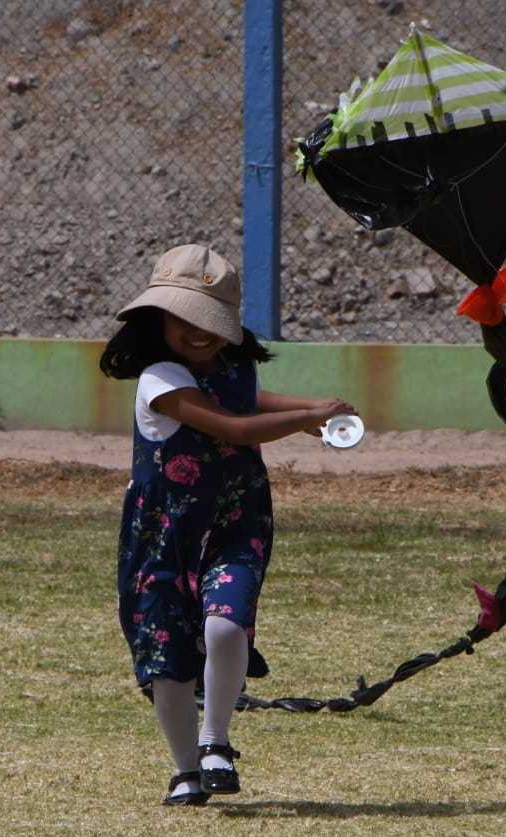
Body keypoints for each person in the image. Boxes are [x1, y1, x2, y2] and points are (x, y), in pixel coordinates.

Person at [99, 243, 358, 806]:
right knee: (168, 662)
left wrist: (310, 410)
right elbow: (231, 426)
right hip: (164, 535)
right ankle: (184, 770)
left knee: (225, 626)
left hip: (236, 523)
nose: (199, 333)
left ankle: (216, 743)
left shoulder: (230, 368)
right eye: (185, 320)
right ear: (157, 319)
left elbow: (247, 397)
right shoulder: (159, 378)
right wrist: (304, 419)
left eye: (211, 323)